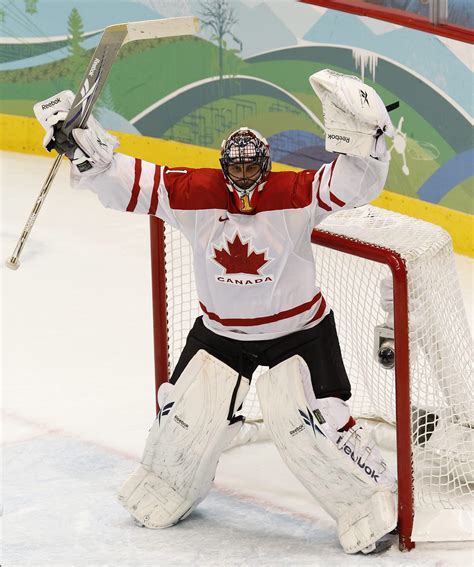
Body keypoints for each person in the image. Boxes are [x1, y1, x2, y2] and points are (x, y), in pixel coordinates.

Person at [34, 69, 398, 555]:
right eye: (237, 168)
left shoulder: (294, 194)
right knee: (180, 416)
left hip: (299, 331)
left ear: (266, 165)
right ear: (224, 165)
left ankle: (368, 501)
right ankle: (170, 485)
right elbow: (127, 182)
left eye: (253, 168)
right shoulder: (195, 192)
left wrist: (369, 142)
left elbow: (353, 184)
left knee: (322, 424)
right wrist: (86, 149)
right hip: (220, 333)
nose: (245, 176)